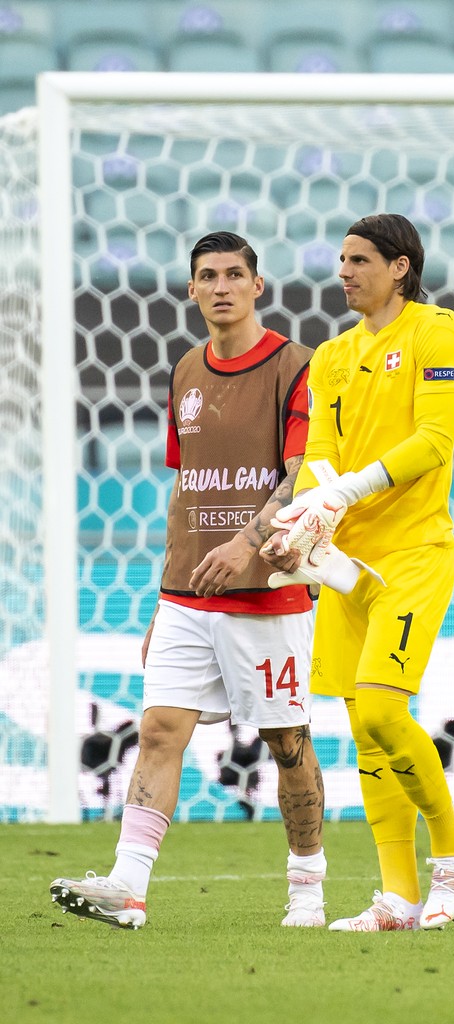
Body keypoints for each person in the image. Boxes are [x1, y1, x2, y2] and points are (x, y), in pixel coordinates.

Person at [50, 231, 327, 929]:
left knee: (285, 740)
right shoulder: (184, 372)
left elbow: (302, 476)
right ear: (192, 290)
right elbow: (186, 487)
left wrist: (247, 543)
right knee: (160, 729)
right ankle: (127, 887)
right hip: (187, 593)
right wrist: (163, 593)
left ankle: (307, 888)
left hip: (267, 593)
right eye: (209, 275)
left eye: (236, 274)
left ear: (258, 286)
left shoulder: (297, 367)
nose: (223, 285)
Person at [264, 214, 454, 932]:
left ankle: (452, 857)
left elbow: (434, 441)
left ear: (401, 266)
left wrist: (345, 492)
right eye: (342, 260)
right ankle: (396, 896)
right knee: (365, 731)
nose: (345, 272)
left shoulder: (436, 331)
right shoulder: (330, 356)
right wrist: (305, 520)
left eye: (360, 260)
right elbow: (320, 450)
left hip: (414, 553)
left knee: (386, 710)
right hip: (345, 564)